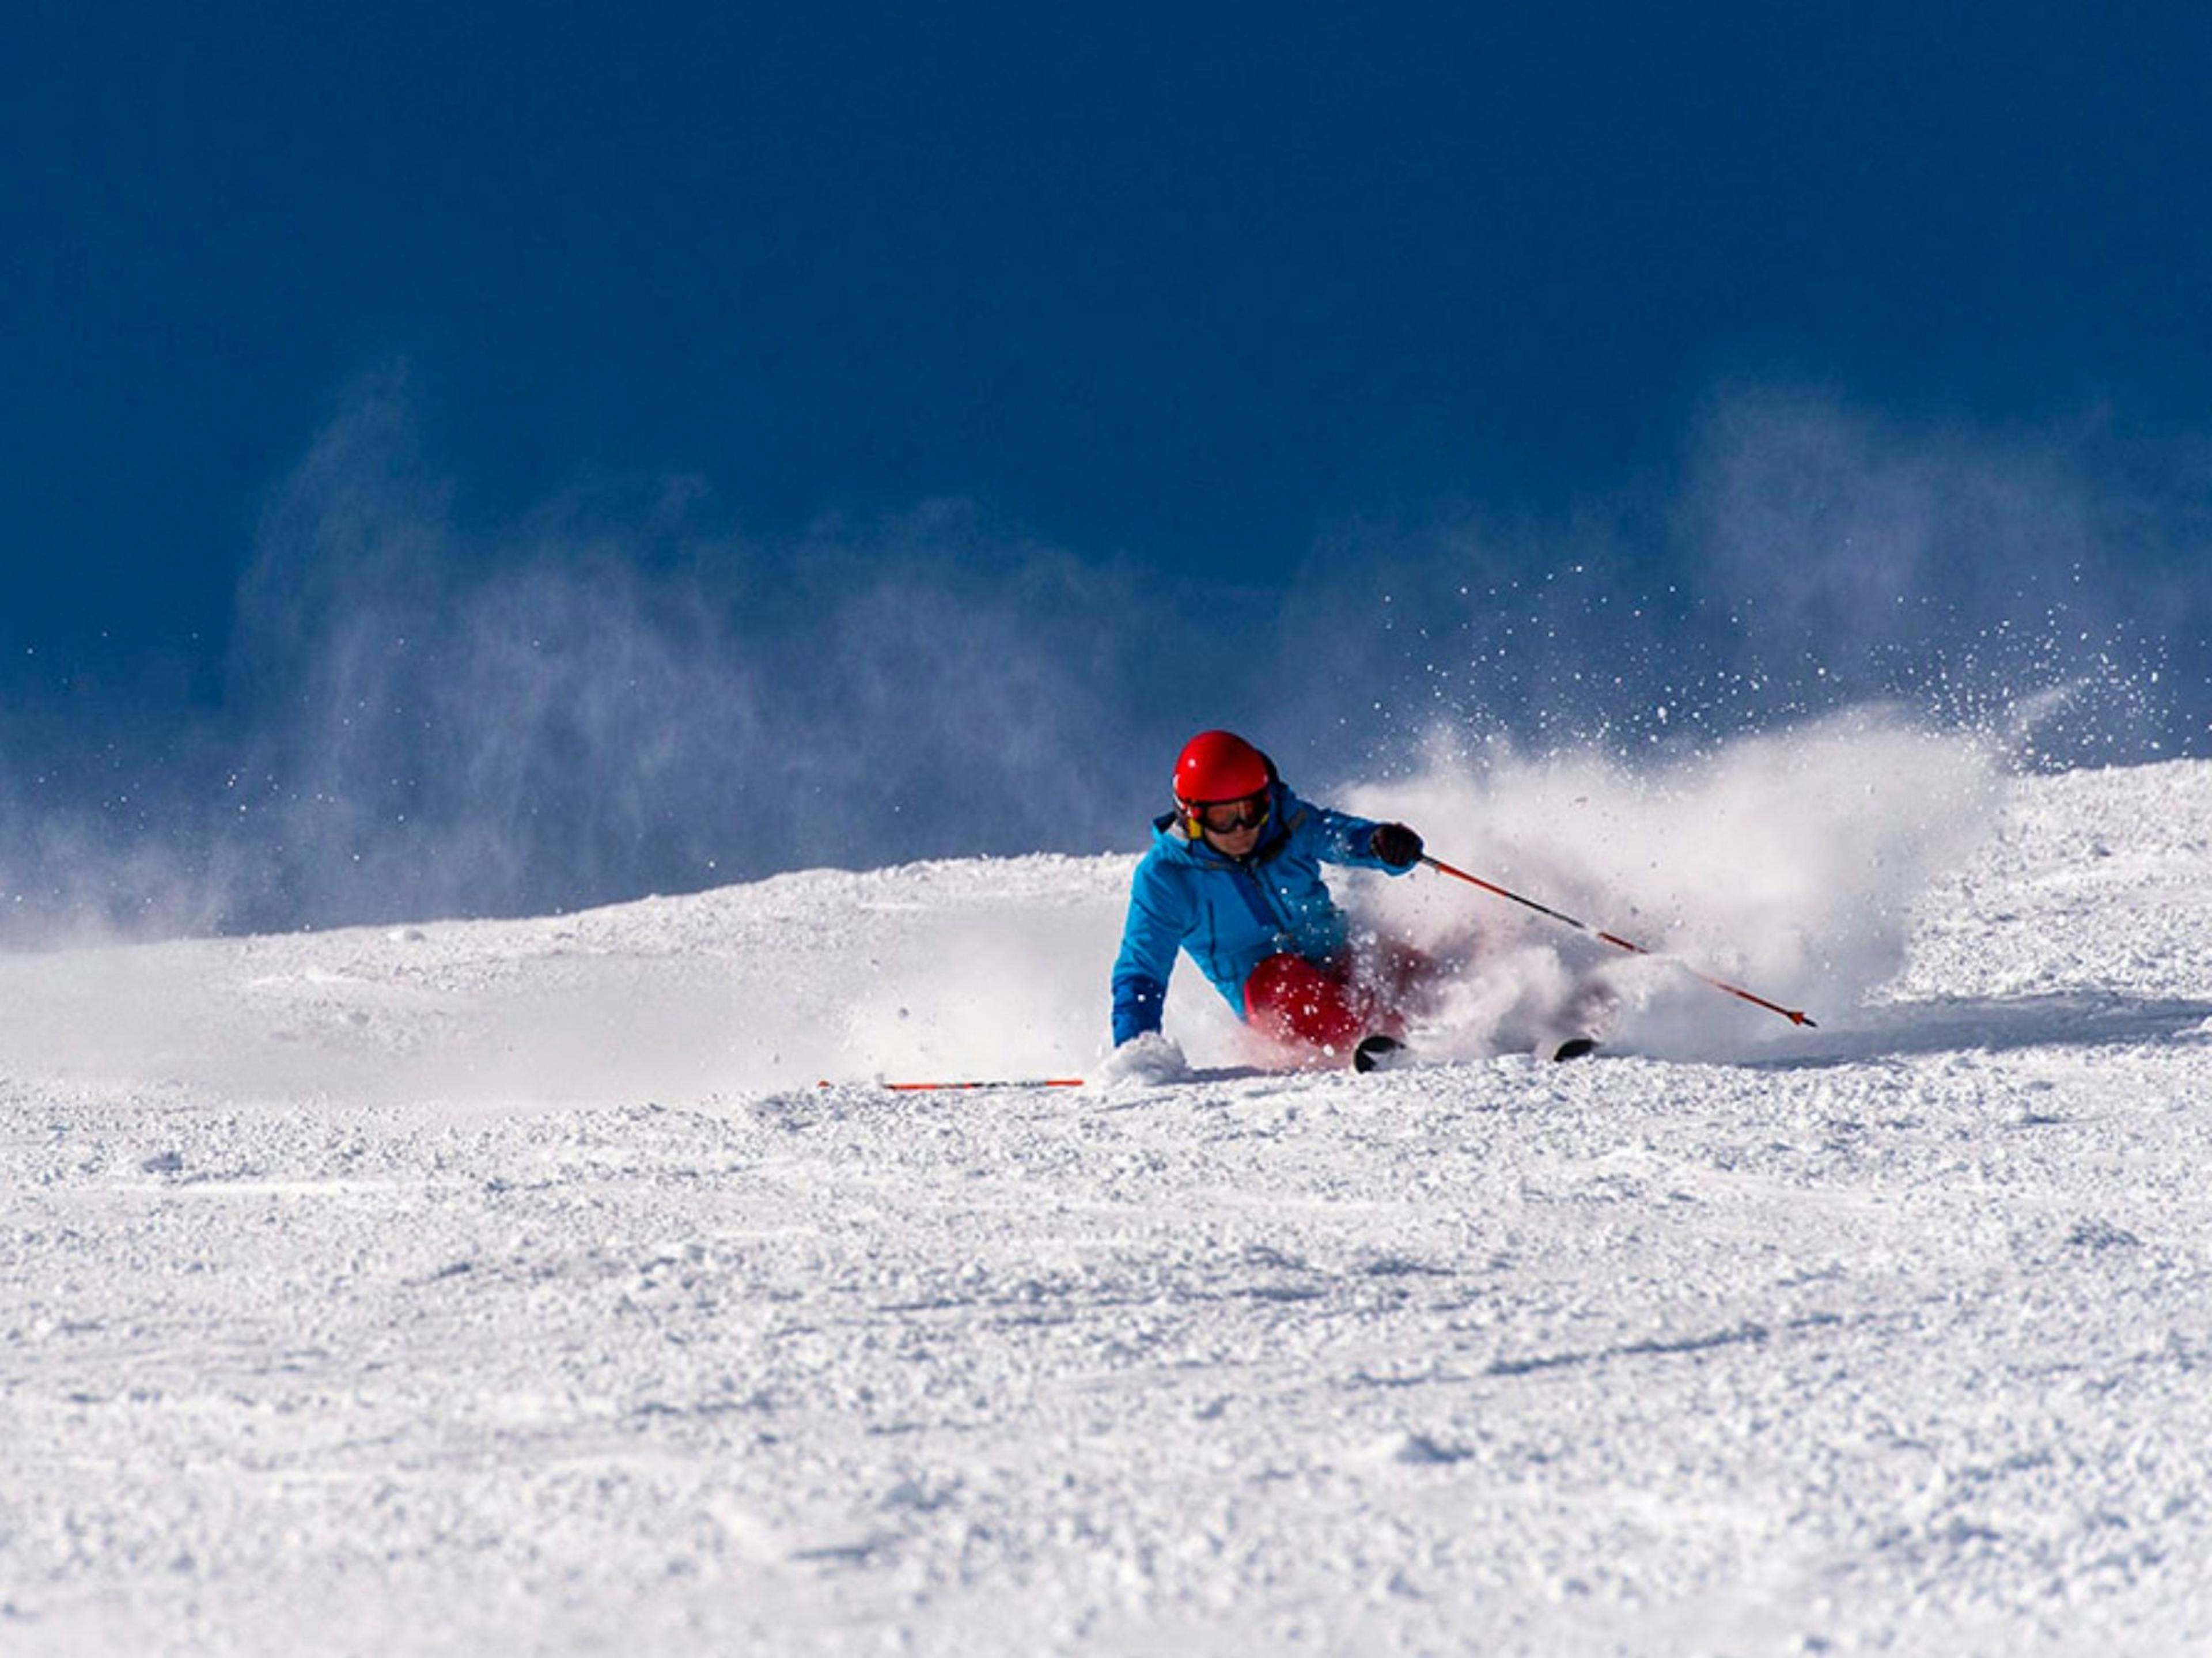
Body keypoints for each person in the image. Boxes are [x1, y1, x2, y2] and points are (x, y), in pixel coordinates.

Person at [1111, 730, 1431, 1071]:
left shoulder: (1285, 823)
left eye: (1251, 810)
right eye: (1224, 818)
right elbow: (1142, 971)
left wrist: (1380, 843)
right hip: (1275, 1002)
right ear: (1191, 817)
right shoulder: (1166, 878)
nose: (1241, 828)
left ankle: (1452, 1028)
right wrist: (1136, 1051)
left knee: (1396, 964)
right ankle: (1375, 1048)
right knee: (1278, 978)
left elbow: (1338, 835)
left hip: (1339, 959)